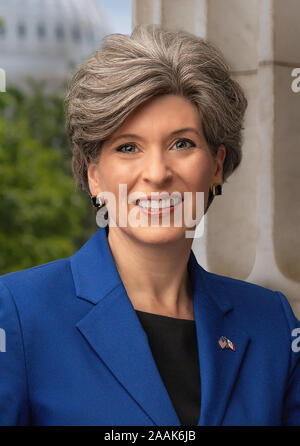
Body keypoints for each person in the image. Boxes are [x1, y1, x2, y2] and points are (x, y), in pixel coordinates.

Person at [0, 24, 299, 426]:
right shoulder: (17, 313)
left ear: (215, 165)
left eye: (182, 143)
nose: (157, 173)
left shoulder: (271, 324)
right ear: (94, 176)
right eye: (128, 147)